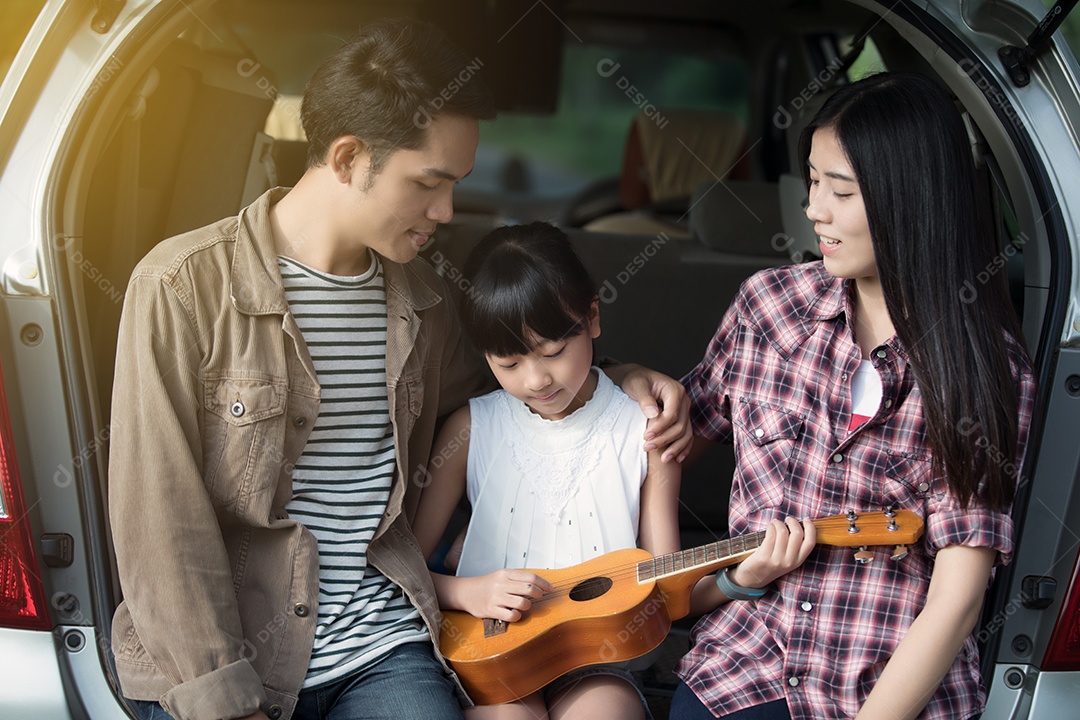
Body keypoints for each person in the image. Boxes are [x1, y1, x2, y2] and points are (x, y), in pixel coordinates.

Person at [108, 19, 690, 720]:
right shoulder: (180, 288)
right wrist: (223, 699)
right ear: (350, 157)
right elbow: (158, 520)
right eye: (429, 184)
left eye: (456, 186)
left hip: (381, 649)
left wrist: (624, 376)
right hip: (227, 655)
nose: (445, 213)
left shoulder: (429, 304)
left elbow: (525, 388)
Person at [668, 72, 1037, 720]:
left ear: (911, 199)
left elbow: (958, 600)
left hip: (882, 692)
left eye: (841, 190)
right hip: (741, 674)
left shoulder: (984, 371)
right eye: (812, 182)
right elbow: (663, 444)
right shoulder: (769, 307)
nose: (816, 210)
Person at [412, 222, 700, 719]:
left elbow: (668, 584)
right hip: (491, 648)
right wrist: (467, 591)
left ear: (591, 317)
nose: (536, 379)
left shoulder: (645, 430)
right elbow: (405, 570)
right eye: (507, 363)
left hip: (599, 656)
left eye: (553, 352)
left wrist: (743, 578)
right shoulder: (470, 429)